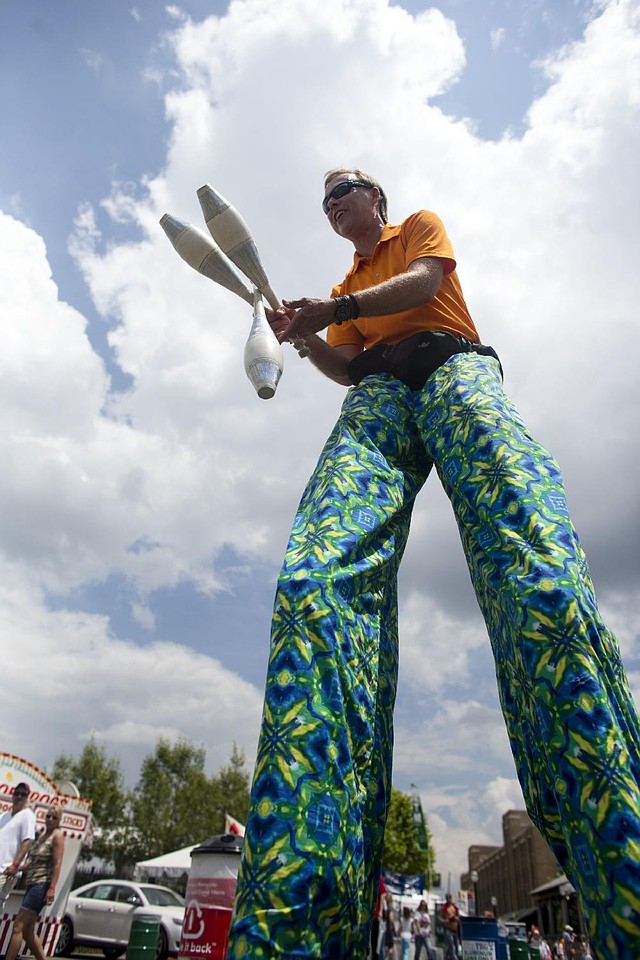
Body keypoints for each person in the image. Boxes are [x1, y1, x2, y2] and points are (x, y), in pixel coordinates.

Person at [226, 169, 640, 960]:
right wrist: (308, 335)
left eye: (343, 190)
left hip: (453, 367)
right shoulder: (343, 280)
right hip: (378, 395)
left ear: (374, 197)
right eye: (323, 201)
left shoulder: (415, 228)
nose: (332, 204)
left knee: (535, 569)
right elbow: (347, 368)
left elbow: (425, 283)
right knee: (315, 584)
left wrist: (336, 310)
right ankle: (301, 926)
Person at [5, 804, 64, 960]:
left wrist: (51, 888)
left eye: (54, 817)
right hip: (32, 883)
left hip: (41, 885)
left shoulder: (57, 837)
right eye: (48, 816)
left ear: (59, 821)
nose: (50, 819)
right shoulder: (42, 837)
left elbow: (57, 864)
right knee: (28, 931)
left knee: (18, 925)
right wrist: (15, 868)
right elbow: (31, 862)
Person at [0, 783, 36, 906]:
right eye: (17, 793)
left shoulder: (27, 815)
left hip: (6, 870)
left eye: (23, 794)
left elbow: (27, 842)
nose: (19, 797)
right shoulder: (4, 816)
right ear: (12, 795)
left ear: (27, 797)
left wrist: (15, 865)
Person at [439, 894, 460, 960]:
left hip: (455, 929)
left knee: (455, 945)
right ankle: (454, 958)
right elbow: (439, 918)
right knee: (451, 944)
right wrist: (446, 921)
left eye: (450, 898)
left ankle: (447, 958)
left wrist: (456, 918)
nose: (449, 899)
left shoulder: (455, 907)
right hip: (448, 929)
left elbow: (458, 917)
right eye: (447, 898)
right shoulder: (444, 908)